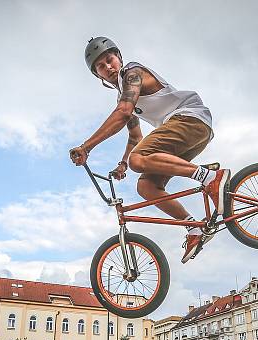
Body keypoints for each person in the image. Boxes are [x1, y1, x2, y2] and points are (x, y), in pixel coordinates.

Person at [70, 37, 229, 263]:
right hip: (188, 132)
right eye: (101, 67)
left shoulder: (132, 73)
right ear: (99, 76)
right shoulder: (123, 95)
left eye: (110, 60)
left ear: (119, 58)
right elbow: (135, 136)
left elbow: (124, 112)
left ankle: (211, 177)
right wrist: (123, 164)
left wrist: (87, 147)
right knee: (146, 186)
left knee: (139, 159)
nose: (108, 67)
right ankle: (194, 228)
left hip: (190, 118)